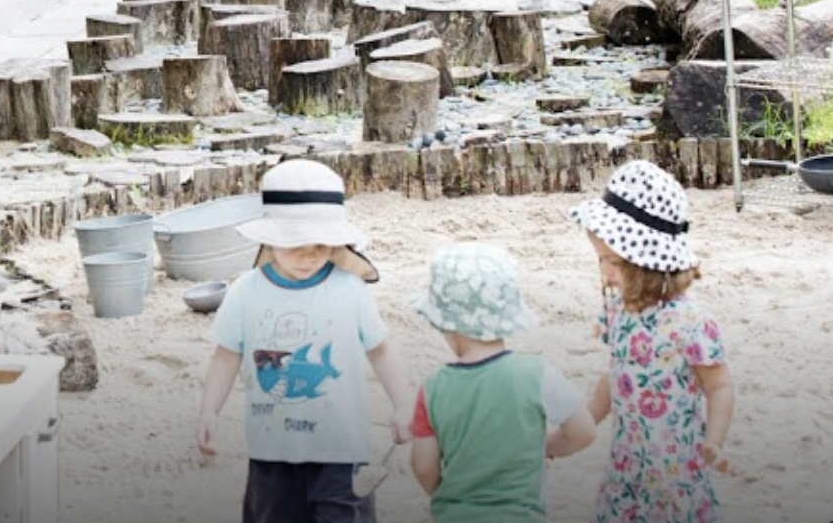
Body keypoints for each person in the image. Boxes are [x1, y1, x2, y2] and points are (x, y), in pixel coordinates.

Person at [196, 160, 414, 523]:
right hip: (272, 454)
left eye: (322, 243)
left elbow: (381, 348)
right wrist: (209, 410)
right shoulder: (246, 291)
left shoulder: (350, 288)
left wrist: (403, 402)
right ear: (271, 238)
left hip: (342, 453)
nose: (310, 254)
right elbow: (226, 356)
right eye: (296, 242)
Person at [572, 161, 736, 523]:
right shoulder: (619, 310)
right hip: (626, 464)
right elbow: (616, 376)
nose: (603, 271)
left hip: (678, 471)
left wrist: (716, 440)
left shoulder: (691, 322)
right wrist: (584, 420)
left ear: (646, 261)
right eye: (600, 260)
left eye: (611, 261)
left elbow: (719, 385)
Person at [409, 243, 596, 522]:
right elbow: (583, 431)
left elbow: (423, 466)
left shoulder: (432, 388)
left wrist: (444, 497)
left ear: (445, 324)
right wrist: (545, 446)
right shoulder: (537, 373)